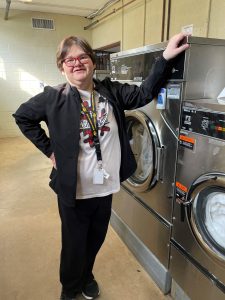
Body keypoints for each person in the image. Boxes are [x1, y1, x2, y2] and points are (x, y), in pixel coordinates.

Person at [13, 32, 189, 300]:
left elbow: (144, 93)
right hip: (74, 190)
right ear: (61, 68)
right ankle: (70, 288)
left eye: (82, 56)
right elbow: (23, 117)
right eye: (68, 60)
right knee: (73, 245)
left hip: (105, 186)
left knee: (95, 238)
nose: (76, 63)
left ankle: (87, 276)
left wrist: (164, 58)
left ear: (93, 62)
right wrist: (50, 150)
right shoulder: (53, 97)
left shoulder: (111, 92)